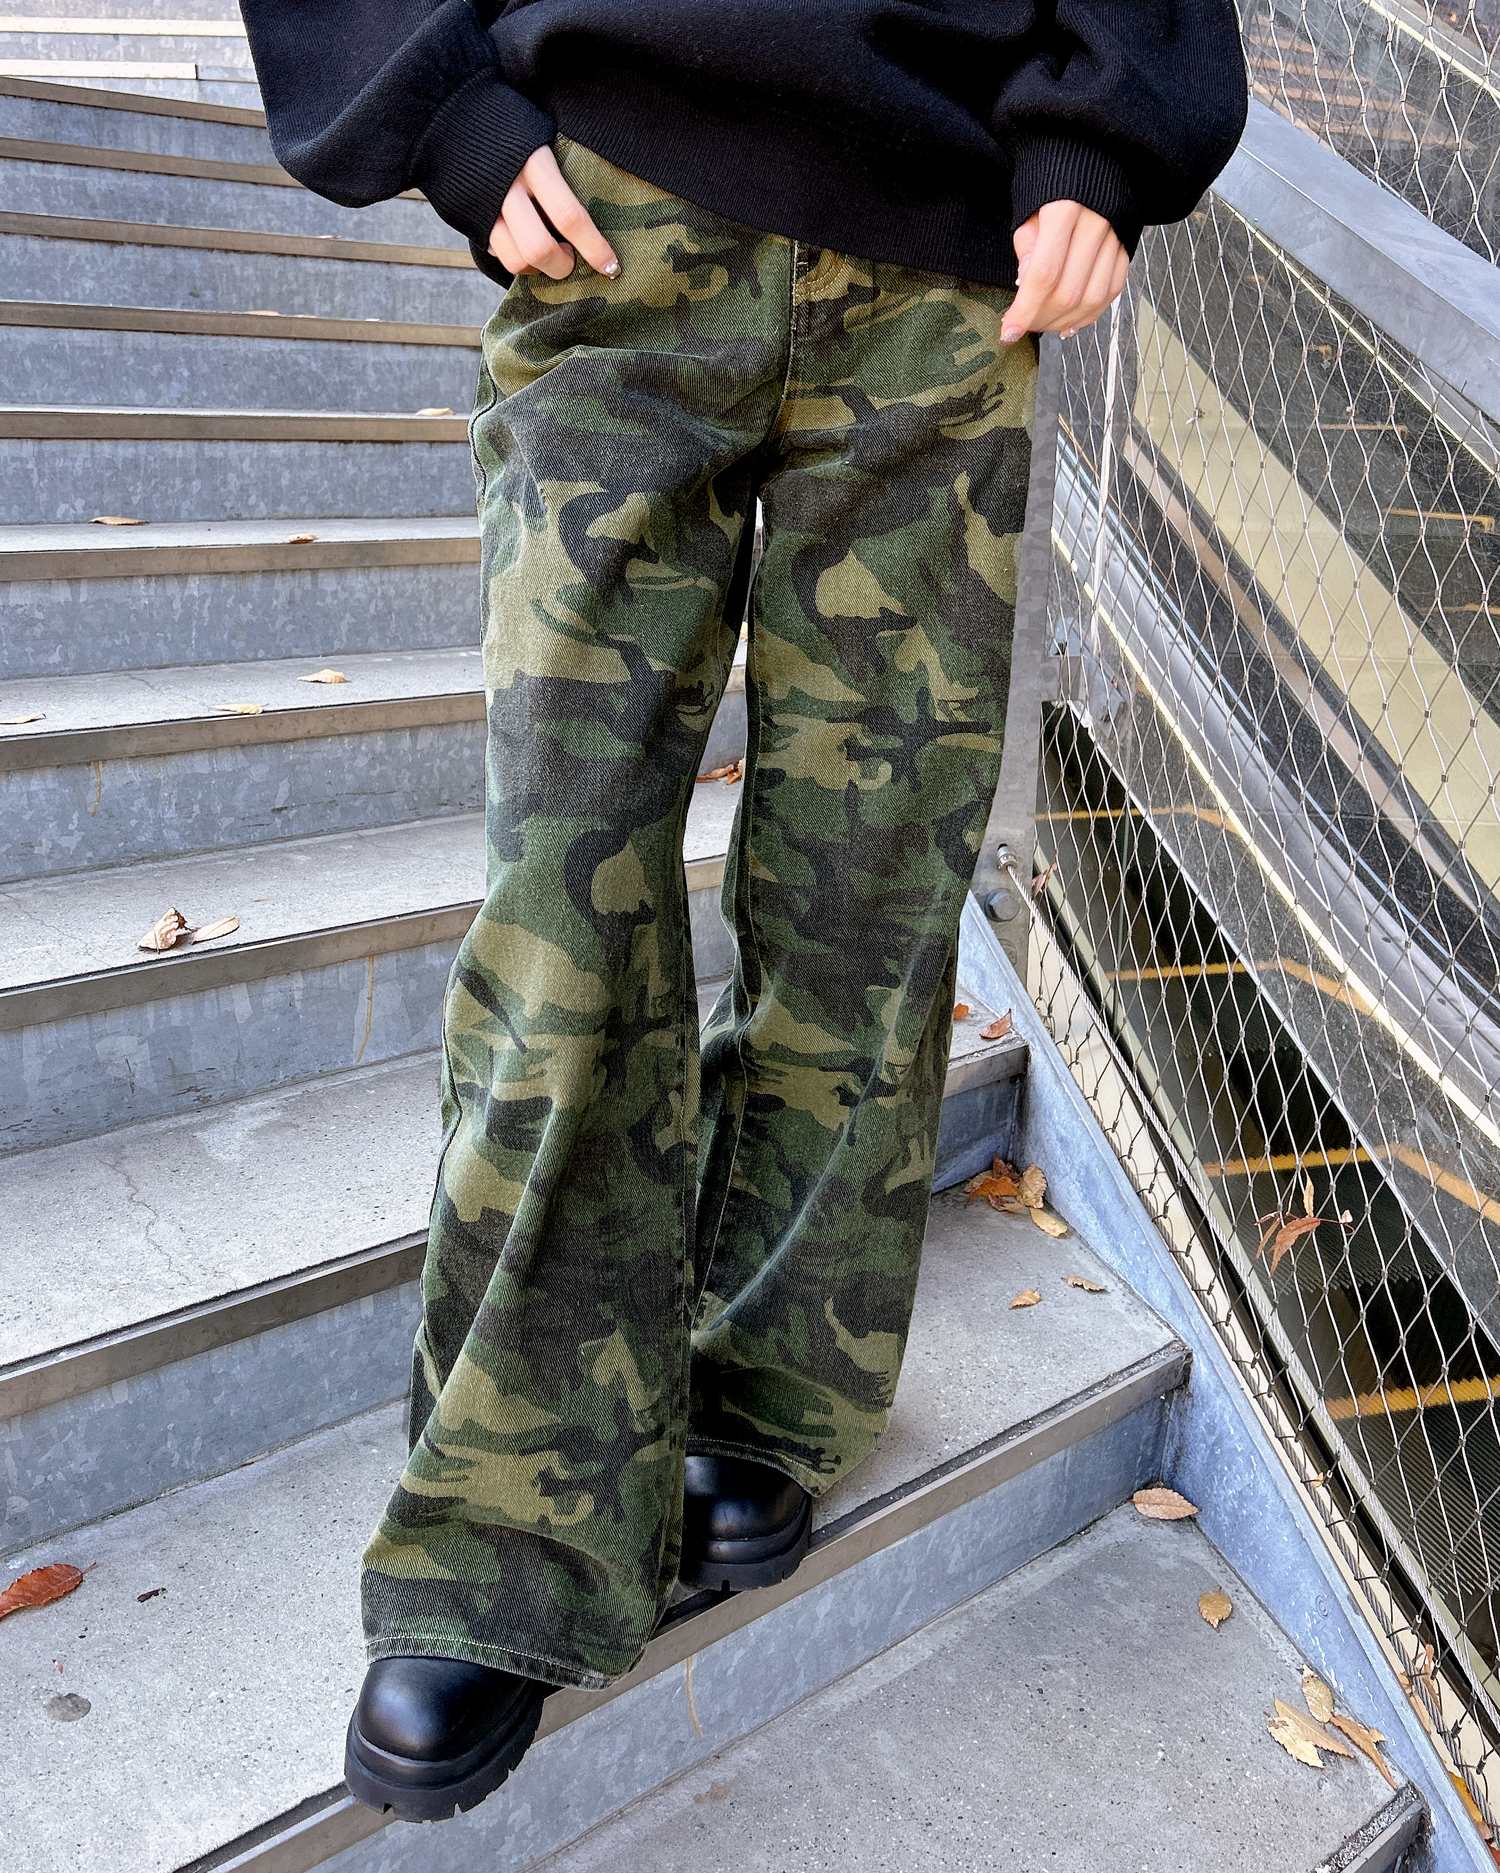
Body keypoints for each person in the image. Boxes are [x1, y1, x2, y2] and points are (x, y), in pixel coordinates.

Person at [239, 0, 1248, 1826]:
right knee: (565, 890)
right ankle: (509, 1527)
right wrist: (433, 101)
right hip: (615, 214)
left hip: (950, 266)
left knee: (873, 882)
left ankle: (771, 1391)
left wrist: (1109, 129)